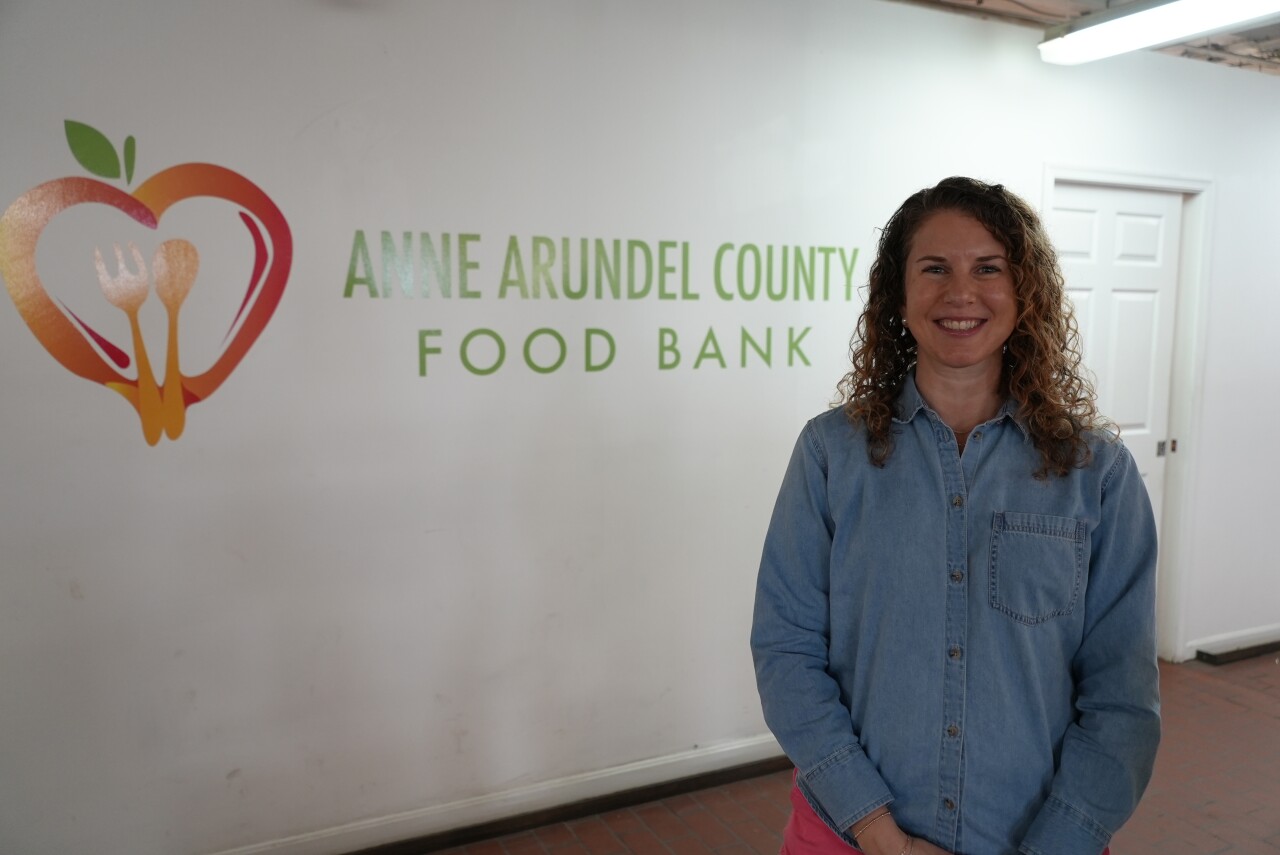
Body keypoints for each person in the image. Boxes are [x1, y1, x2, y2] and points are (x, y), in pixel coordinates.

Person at [750, 177, 1160, 855]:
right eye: (935, 267)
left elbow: (1122, 698)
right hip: (850, 838)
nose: (961, 292)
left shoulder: (1097, 472)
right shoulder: (830, 454)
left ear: (1023, 291)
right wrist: (882, 836)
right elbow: (786, 651)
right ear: (898, 296)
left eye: (988, 268)